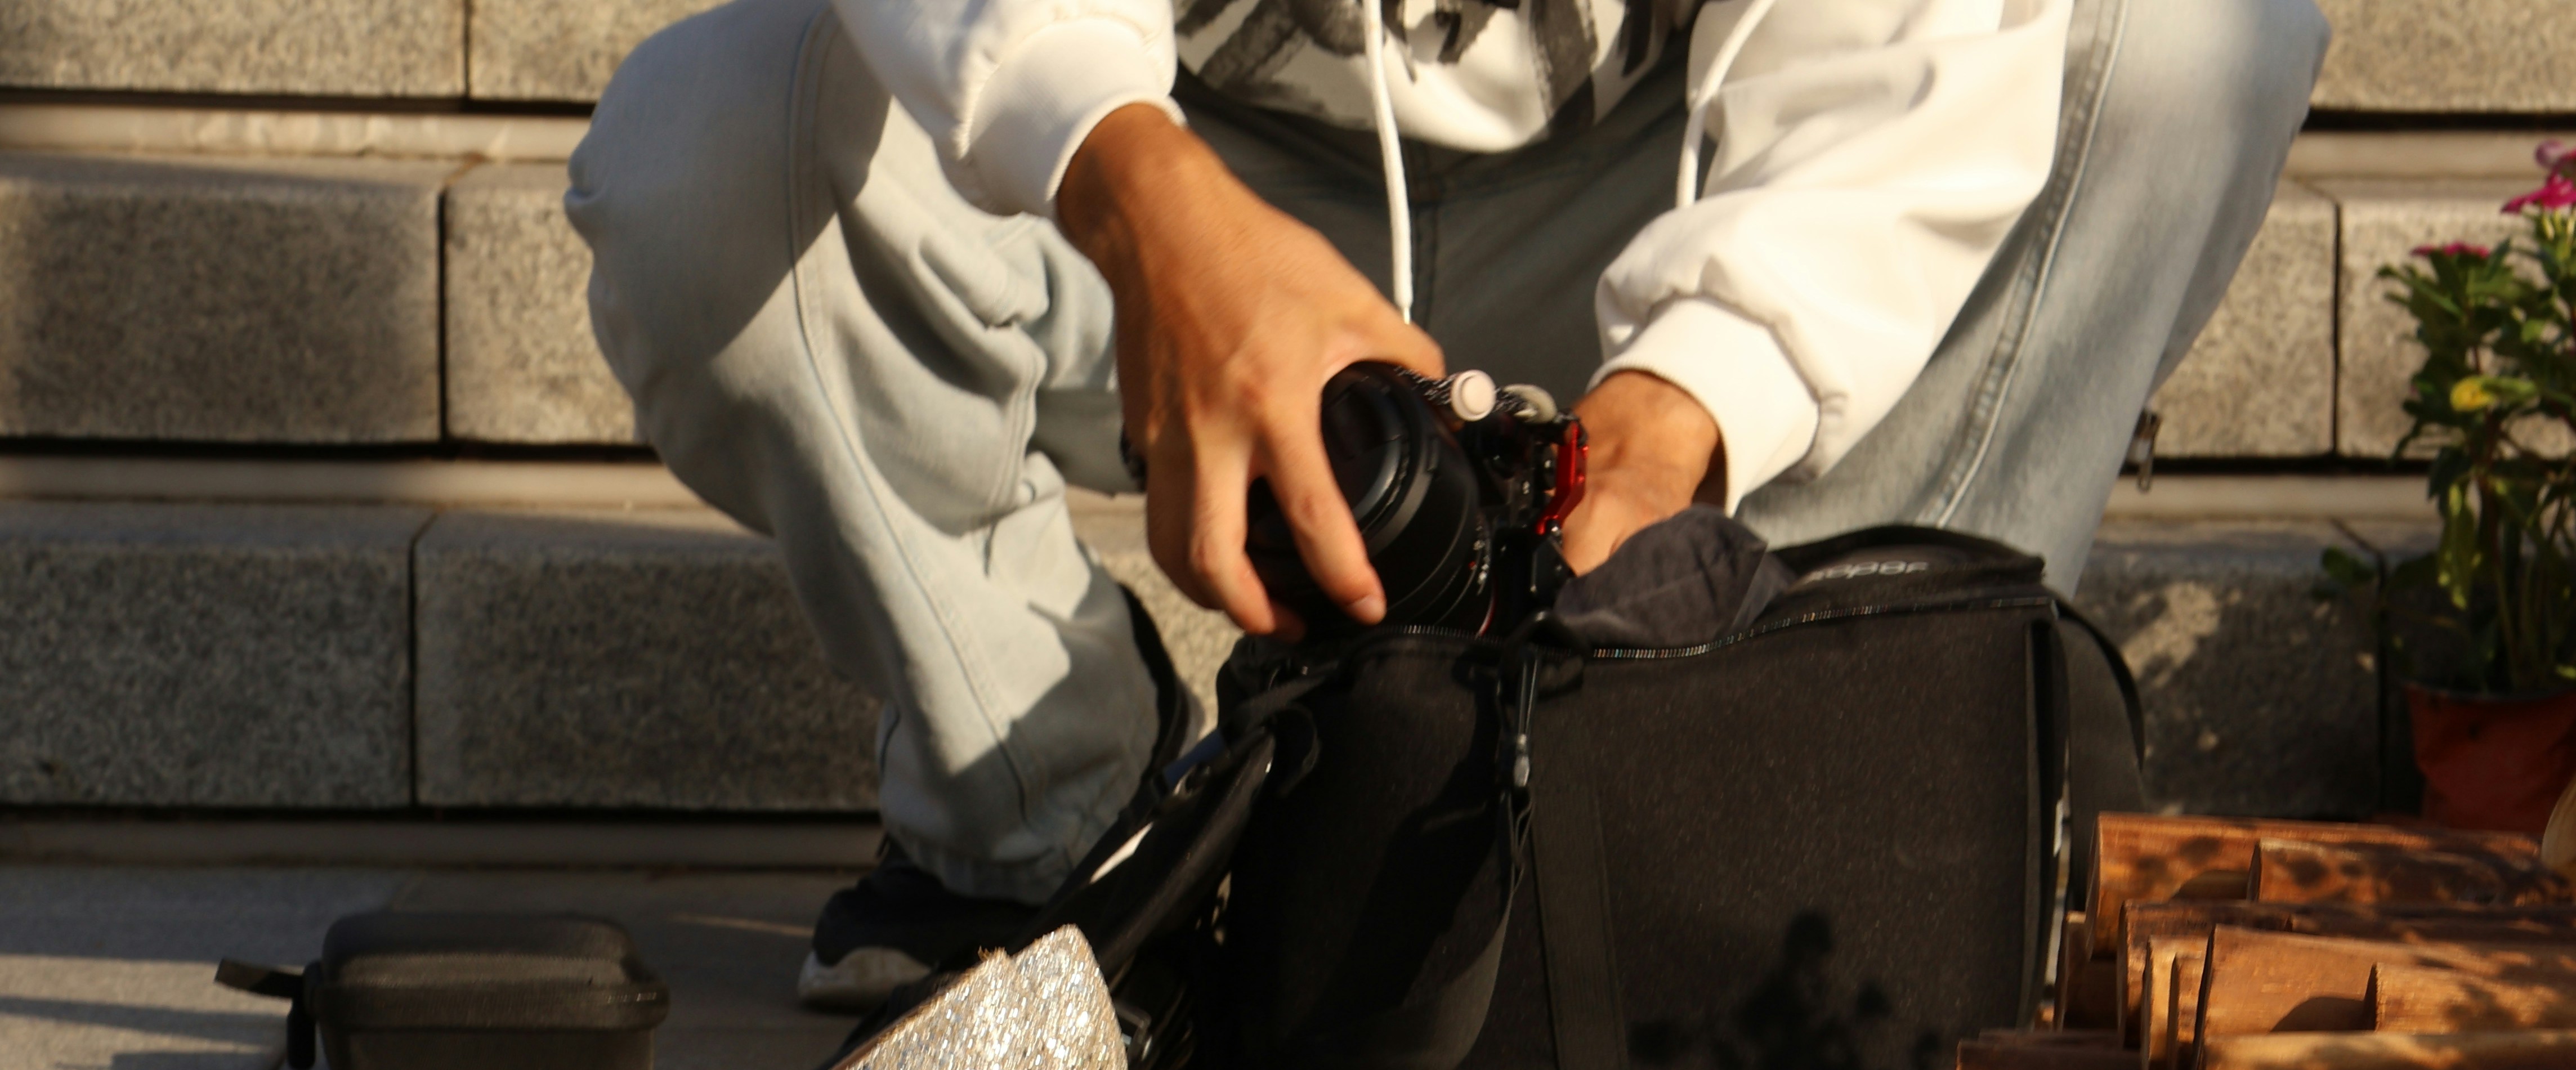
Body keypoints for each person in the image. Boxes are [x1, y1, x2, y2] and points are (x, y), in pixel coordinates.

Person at [569, 0, 2326, 1009]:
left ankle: (1798, 814)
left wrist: (1694, 395)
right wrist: (1137, 195)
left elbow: (1932, 49)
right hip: (1169, 172)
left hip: (1663, 193)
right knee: (716, 148)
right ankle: (1067, 853)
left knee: (2185, 32)